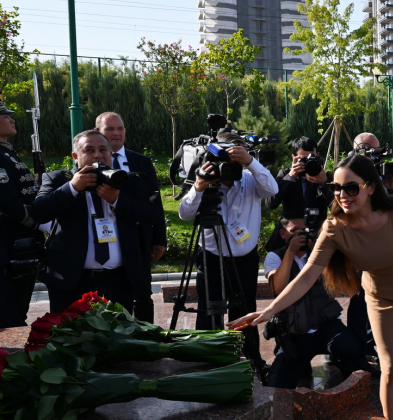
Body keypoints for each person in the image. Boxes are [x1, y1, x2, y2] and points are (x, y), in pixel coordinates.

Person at [230, 154, 393, 420]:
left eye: (351, 188)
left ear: (370, 187)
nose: (342, 195)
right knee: (391, 368)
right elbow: (306, 278)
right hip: (381, 300)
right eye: (336, 188)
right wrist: (268, 311)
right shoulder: (335, 227)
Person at [178, 129, 278, 373]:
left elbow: (273, 189)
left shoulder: (251, 178)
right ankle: (208, 361)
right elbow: (184, 213)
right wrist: (199, 186)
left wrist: (251, 163)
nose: (230, 166)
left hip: (245, 259)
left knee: (244, 311)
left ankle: (253, 359)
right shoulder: (205, 177)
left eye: (236, 157)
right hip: (212, 256)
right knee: (209, 309)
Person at [32, 130, 162, 312]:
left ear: (110, 153)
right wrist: (72, 188)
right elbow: (38, 212)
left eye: (103, 150)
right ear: (76, 156)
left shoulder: (128, 180)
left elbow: (151, 215)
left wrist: (117, 200)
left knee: (116, 336)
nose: (98, 155)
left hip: (119, 280)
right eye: (89, 150)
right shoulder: (58, 179)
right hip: (71, 280)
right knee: (71, 337)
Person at [260, 216, 374, 388]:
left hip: (326, 326)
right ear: (283, 234)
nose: (301, 236)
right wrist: (291, 252)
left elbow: (341, 281)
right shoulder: (274, 256)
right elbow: (278, 288)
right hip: (294, 331)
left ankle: (347, 371)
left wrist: (318, 254)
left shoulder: (322, 253)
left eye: (305, 232)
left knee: (351, 351)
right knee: (277, 383)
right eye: (295, 232)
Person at [95, 111, 166, 322]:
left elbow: (156, 203)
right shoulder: (90, 160)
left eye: (120, 128)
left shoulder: (141, 162)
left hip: (138, 239)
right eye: (110, 129)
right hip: (102, 240)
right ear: (98, 131)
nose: (116, 133)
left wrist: (159, 239)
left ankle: (147, 340)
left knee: (142, 294)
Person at [0, 102, 45, 328]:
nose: (12, 119)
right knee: (11, 312)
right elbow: (7, 201)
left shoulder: (7, 153)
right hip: (9, 239)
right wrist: (38, 222)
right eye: (5, 116)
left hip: (18, 237)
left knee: (19, 307)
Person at [266, 136, 334, 239]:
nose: (307, 163)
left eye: (311, 158)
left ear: (318, 155)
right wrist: (291, 176)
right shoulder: (285, 174)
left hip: (318, 234)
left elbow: (338, 207)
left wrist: (324, 184)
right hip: (290, 234)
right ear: (294, 158)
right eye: (303, 159)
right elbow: (271, 203)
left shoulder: (326, 177)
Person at [354, 132, 393, 197]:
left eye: (377, 150)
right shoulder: (347, 175)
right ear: (357, 151)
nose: (374, 156)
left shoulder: (382, 174)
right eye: (370, 151)